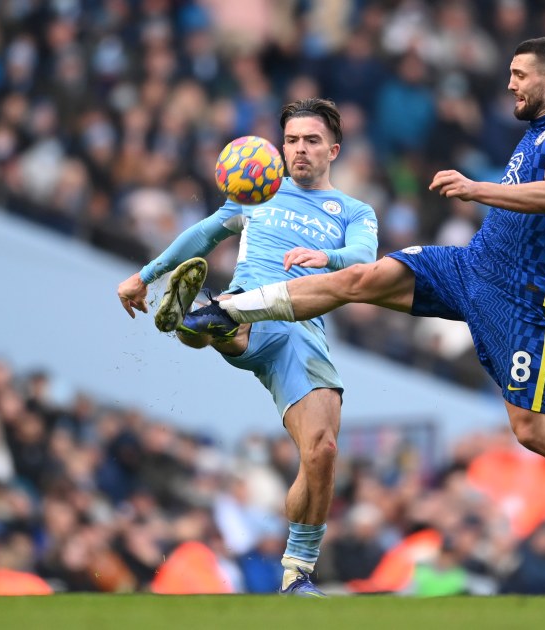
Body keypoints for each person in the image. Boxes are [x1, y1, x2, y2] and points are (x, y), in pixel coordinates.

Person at [179, 36, 545, 582]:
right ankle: (233, 309)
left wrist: (477, 189)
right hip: (469, 266)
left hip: (519, 300)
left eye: (519, 75)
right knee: (360, 278)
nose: (509, 83)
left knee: (532, 430)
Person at [116, 98, 379, 597]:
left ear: (334, 150)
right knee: (233, 315)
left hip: (303, 332)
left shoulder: (353, 210)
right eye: (292, 140)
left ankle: (296, 574)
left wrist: (327, 254)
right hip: (251, 309)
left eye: (312, 141)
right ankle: (206, 318)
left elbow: (364, 258)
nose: (299, 149)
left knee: (321, 451)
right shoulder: (258, 193)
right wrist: (144, 276)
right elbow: (202, 233)